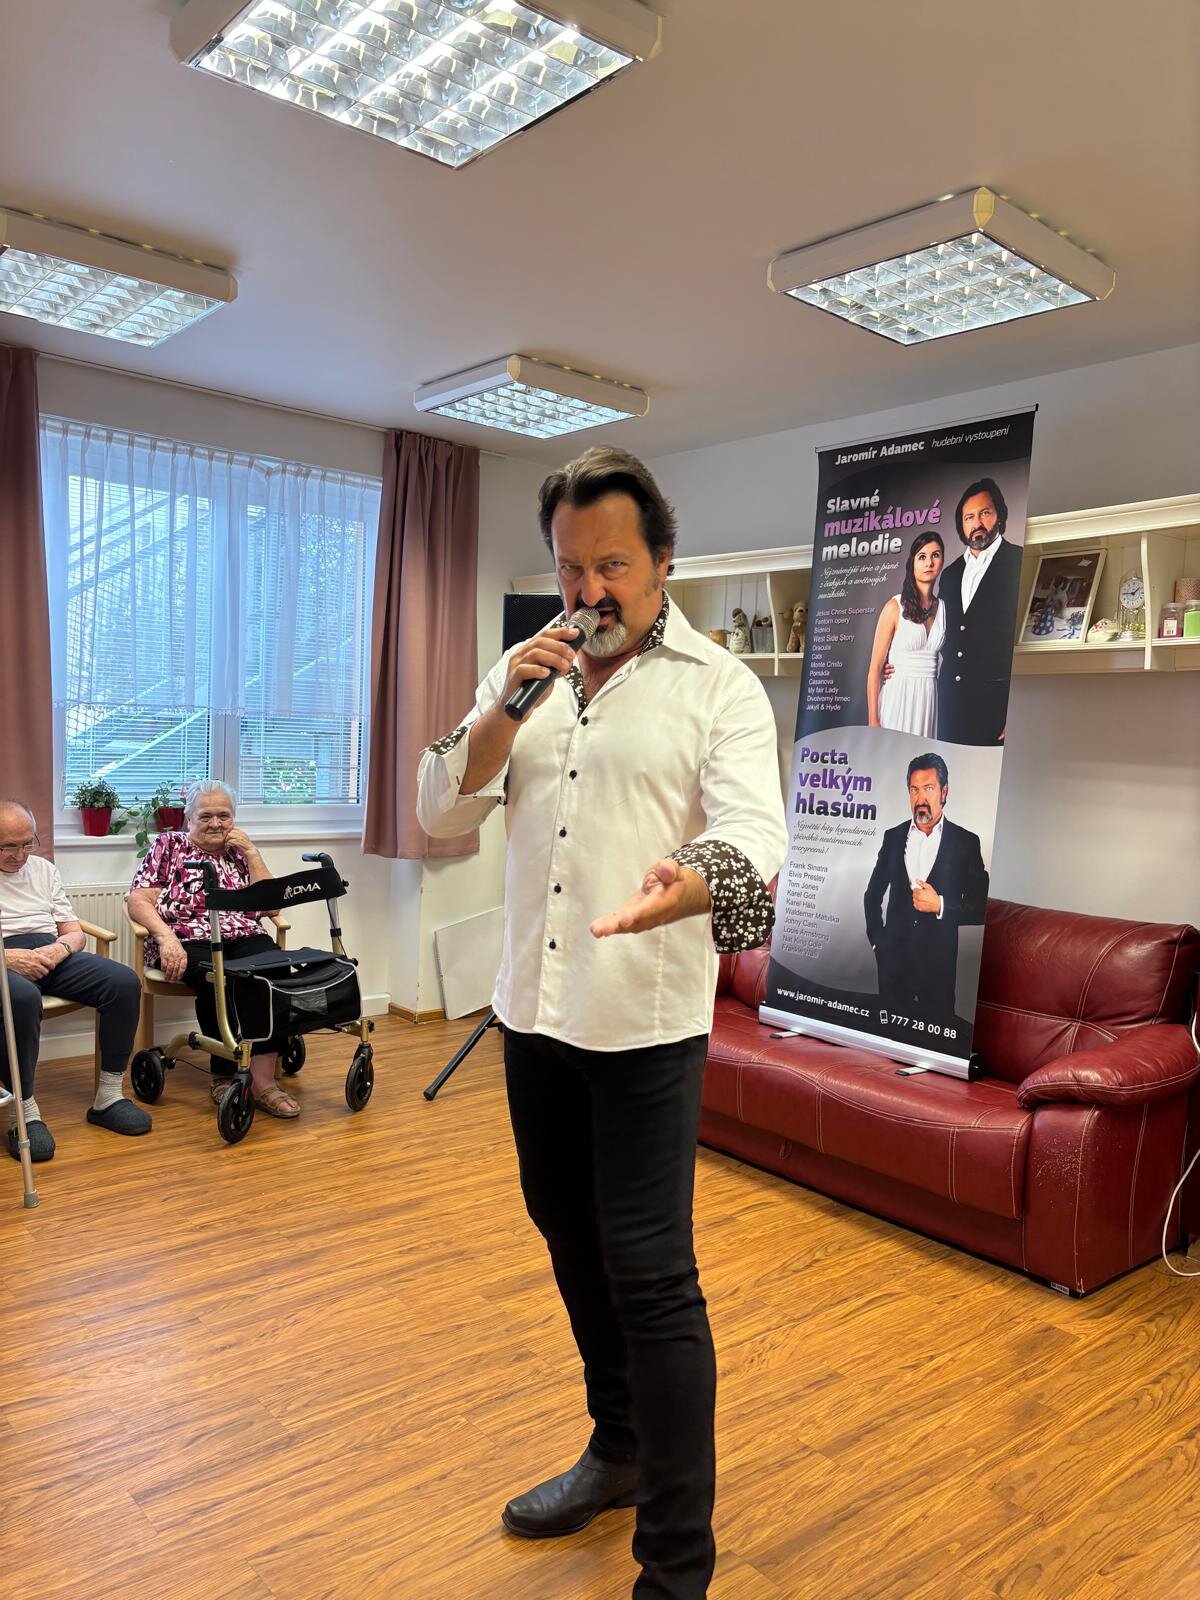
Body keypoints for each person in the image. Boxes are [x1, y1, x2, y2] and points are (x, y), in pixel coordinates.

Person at [417, 446, 788, 1600]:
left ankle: (676, 1567)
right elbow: (439, 808)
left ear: (664, 560)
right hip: (536, 1014)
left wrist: (692, 881)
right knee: (567, 1234)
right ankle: (617, 1446)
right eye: (571, 567)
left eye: (613, 565)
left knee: (652, 1278)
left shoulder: (717, 686)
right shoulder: (525, 671)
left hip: (643, 1024)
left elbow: (756, 837)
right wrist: (501, 710)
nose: (589, 591)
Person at [126, 780, 299, 1118]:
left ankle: (263, 1081)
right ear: (188, 818)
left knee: (275, 972)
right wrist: (165, 938)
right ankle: (223, 1073)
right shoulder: (169, 845)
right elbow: (138, 900)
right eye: (205, 816)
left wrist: (252, 853)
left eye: (224, 815)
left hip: (243, 933)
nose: (216, 824)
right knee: (218, 978)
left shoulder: (239, 852)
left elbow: (272, 906)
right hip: (188, 938)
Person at [0, 798, 150, 1161]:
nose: (19, 855)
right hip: (4, 958)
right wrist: (8, 958)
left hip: (49, 951)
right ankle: (25, 1112)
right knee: (21, 999)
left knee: (123, 982)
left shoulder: (44, 869)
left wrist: (59, 950)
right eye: (8, 847)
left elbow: (73, 931)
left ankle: (108, 1097)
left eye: (27, 844)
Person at [862, 754, 989, 1017]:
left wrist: (940, 905)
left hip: (938, 973)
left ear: (944, 792)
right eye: (914, 790)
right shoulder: (893, 837)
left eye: (928, 788)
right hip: (893, 970)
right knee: (887, 1035)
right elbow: (872, 896)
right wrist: (878, 944)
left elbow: (981, 908)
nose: (920, 798)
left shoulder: (966, 842)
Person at [936, 478, 1024, 745]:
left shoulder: (1018, 560)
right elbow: (944, 636)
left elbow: (1023, 642)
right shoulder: (949, 574)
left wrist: (1015, 709)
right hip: (951, 705)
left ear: (1000, 515)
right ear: (961, 525)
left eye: (985, 513)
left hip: (995, 709)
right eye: (969, 517)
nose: (977, 523)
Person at [867, 531, 945, 736]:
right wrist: (873, 720)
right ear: (912, 563)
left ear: (942, 561)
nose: (929, 562)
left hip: (928, 700)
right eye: (922, 557)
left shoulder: (944, 608)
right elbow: (875, 668)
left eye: (935, 555)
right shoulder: (894, 607)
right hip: (898, 698)